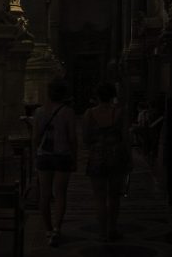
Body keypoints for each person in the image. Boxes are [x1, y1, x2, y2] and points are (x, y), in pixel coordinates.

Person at [83, 82, 132, 242]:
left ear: (97, 96)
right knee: (114, 197)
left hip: (96, 157)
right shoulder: (120, 113)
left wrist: (96, 144)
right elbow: (126, 138)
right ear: (113, 96)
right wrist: (129, 158)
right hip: (116, 157)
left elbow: (86, 139)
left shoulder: (89, 114)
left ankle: (102, 232)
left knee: (99, 197)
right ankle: (112, 229)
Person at [32, 78, 77, 248]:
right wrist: (75, 156)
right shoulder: (68, 112)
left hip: (44, 155)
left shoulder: (39, 112)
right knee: (60, 195)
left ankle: (48, 229)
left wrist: (36, 155)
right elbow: (72, 138)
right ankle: (57, 228)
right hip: (62, 156)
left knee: (44, 194)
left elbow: (35, 137)